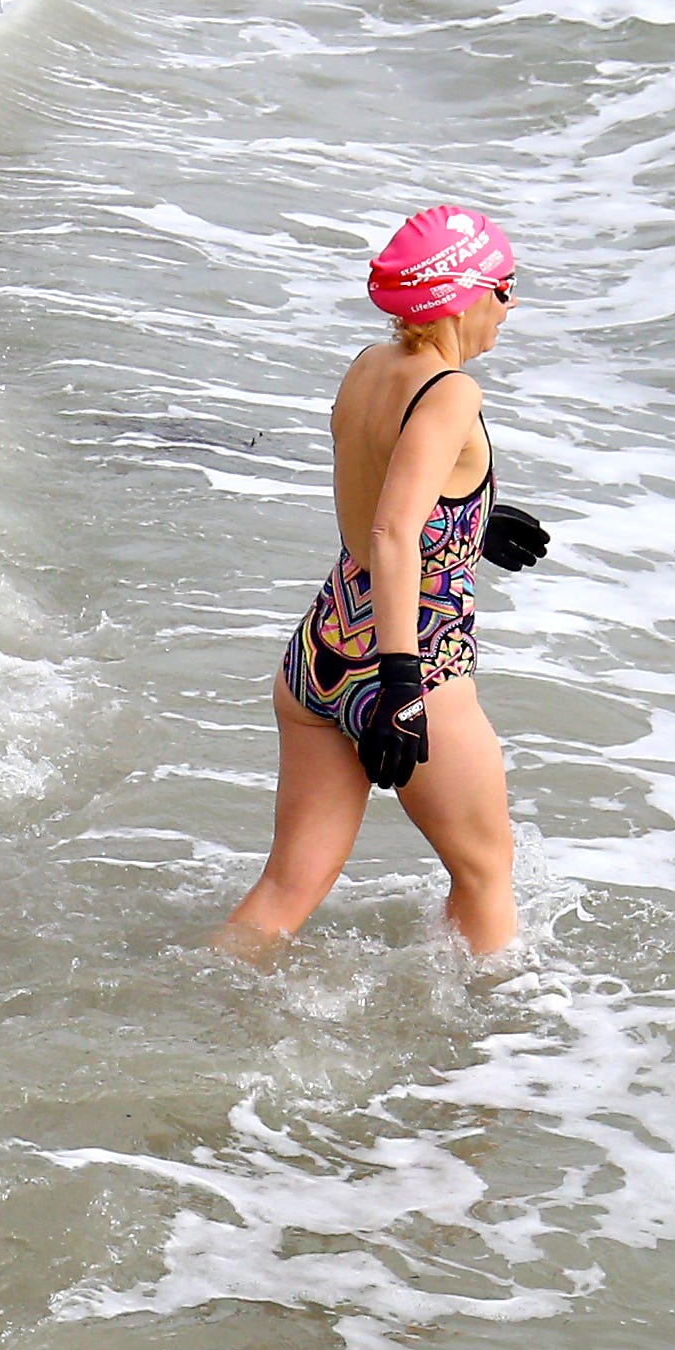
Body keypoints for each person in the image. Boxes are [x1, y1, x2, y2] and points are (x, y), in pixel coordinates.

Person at [218, 204, 553, 959]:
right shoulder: (450, 392)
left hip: (321, 653)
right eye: (502, 285)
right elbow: (394, 531)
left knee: (284, 889)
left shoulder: (371, 365)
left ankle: (196, 1001)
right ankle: (505, 1048)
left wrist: (473, 522)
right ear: (460, 295)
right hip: (412, 665)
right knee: (485, 874)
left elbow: (380, 495)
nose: (510, 302)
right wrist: (401, 686)